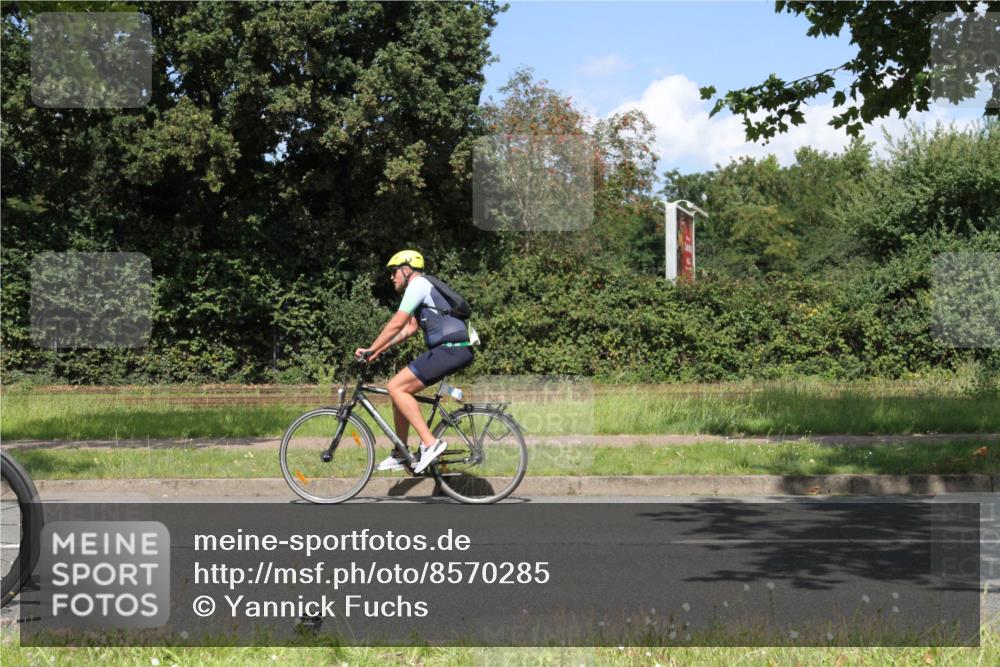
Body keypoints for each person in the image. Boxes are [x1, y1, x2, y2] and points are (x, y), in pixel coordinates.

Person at [355, 250, 475, 474]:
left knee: (395, 387)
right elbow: (410, 328)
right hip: (450, 350)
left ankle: (431, 443)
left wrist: (371, 347)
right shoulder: (422, 287)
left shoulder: (418, 285)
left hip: (450, 350)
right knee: (397, 391)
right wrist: (378, 351)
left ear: (406, 270)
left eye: (394, 272)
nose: (392, 278)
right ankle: (401, 453)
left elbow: (397, 323)